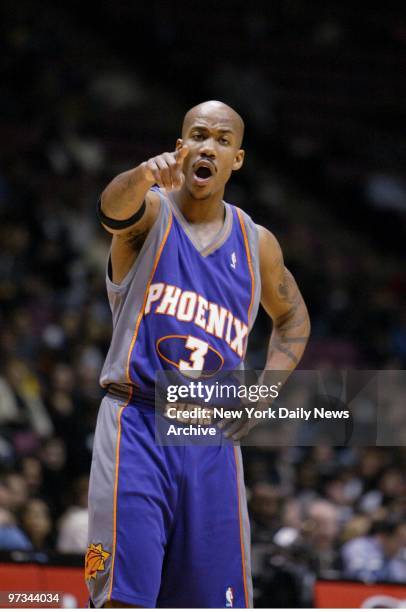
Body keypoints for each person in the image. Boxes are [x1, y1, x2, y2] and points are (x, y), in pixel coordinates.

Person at [86, 100, 310, 608]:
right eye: (199, 135)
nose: (208, 145)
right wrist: (143, 174)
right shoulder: (149, 211)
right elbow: (110, 210)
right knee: (124, 598)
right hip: (137, 421)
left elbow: (294, 317)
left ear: (237, 159)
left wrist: (264, 391)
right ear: (181, 146)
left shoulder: (258, 245)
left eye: (222, 139)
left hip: (212, 439)